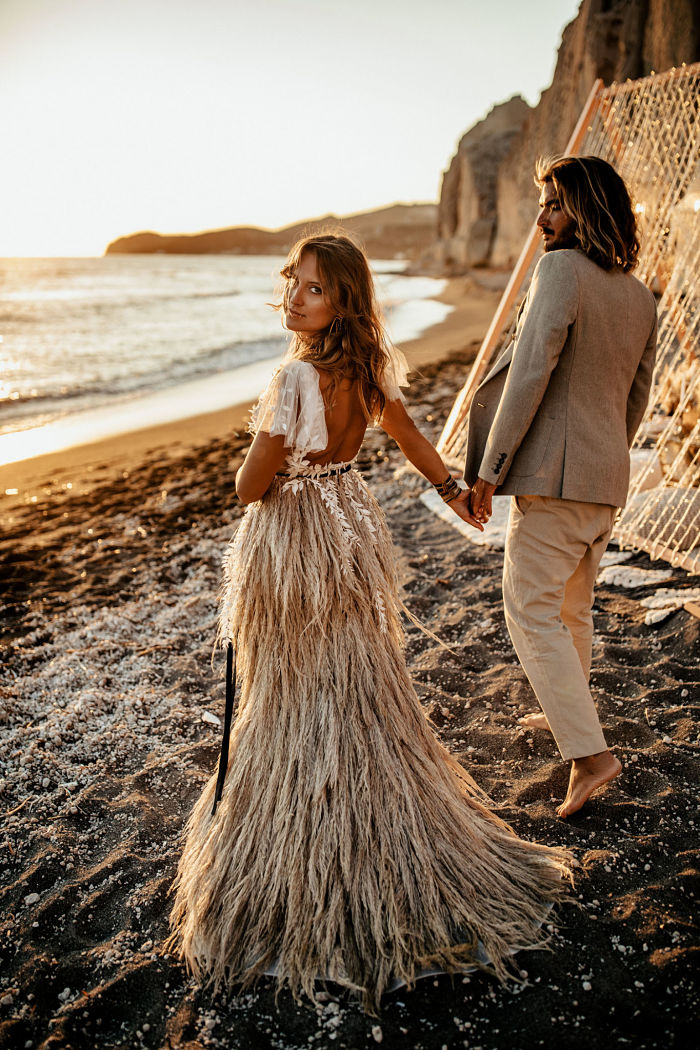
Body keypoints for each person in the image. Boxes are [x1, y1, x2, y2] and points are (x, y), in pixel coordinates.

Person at [169, 232, 572, 1012]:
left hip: (298, 539)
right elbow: (413, 438)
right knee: (357, 676)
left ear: (342, 300)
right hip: (350, 530)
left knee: (291, 691)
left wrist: (263, 452)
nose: (295, 295)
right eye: (293, 281)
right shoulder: (367, 370)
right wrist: (456, 490)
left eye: (313, 288)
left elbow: (251, 487)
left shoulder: (294, 376)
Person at [464, 156, 657, 820]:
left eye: (553, 204)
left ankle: (591, 757)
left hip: (555, 479)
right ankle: (573, 723)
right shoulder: (639, 295)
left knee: (529, 610)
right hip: (607, 481)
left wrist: (490, 471)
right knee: (571, 611)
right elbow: (637, 398)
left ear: (585, 209)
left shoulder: (559, 271)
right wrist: (607, 458)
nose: (542, 218)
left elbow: (529, 373)